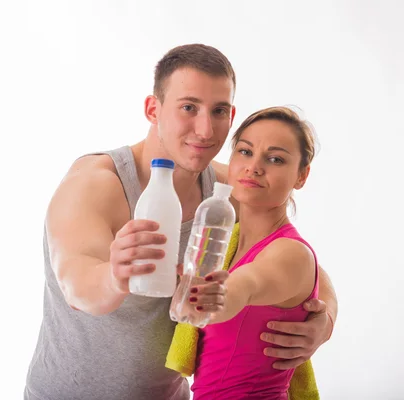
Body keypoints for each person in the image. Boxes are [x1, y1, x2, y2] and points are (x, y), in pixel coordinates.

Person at [24, 44, 338, 400]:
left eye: (218, 111)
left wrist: (323, 322)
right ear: (152, 109)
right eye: (189, 107)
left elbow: (294, 257)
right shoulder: (96, 184)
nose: (205, 130)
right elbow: (77, 284)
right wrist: (116, 275)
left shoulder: (226, 191)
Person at [185, 106, 323, 399]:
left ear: (302, 176)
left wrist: (219, 296)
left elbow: (247, 284)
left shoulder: (290, 253)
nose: (254, 167)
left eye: (275, 159)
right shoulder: (229, 240)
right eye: (245, 152)